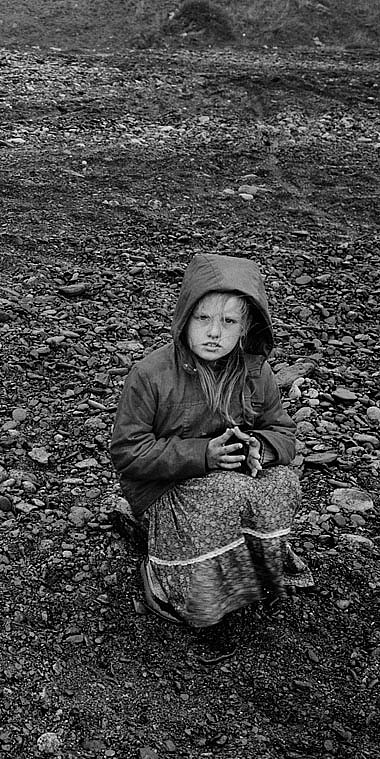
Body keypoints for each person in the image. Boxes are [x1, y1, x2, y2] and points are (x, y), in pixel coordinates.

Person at [110, 253, 303, 632]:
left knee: (282, 482)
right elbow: (127, 452)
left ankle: (252, 574)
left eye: (228, 321)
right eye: (203, 319)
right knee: (224, 491)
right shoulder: (150, 374)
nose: (214, 332)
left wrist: (259, 447)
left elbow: (284, 432)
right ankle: (171, 582)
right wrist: (204, 454)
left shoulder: (255, 371)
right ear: (185, 318)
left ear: (245, 328)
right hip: (162, 489)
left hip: (223, 483)